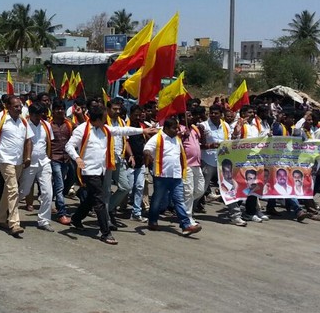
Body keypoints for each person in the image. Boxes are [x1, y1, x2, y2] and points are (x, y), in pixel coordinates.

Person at [66, 103, 154, 245]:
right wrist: (77, 158)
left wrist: (142, 131)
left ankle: (76, 219)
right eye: (104, 117)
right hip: (88, 171)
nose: (107, 120)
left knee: (91, 198)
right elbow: (69, 146)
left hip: (101, 170)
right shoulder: (82, 129)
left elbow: (122, 130)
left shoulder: (105, 129)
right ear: (98, 119)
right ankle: (105, 233)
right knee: (100, 200)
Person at [143, 116, 202, 236]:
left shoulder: (177, 139)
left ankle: (186, 225)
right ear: (166, 128)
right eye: (174, 128)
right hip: (161, 175)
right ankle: (152, 221)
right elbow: (147, 149)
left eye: (177, 128)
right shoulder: (157, 138)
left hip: (176, 175)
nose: (177, 130)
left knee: (179, 200)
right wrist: (148, 154)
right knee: (157, 199)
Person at [0, 96, 33, 238]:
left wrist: (27, 157)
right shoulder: (0, 119)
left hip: (18, 160)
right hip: (5, 159)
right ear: (8, 107)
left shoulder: (23, 121)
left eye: (20, 106)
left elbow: (28, 140)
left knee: (8, 190)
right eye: (16, 106)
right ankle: (14, 223)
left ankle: (0, 218)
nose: (19, 108)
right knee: (14, 189)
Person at [18, 102, 55, 232]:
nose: (39, 117)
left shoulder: (46, 125)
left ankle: (44, 221)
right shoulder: (23, 125)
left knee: (48, 193)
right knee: (23, 191)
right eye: (37, 115)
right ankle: (9, 213)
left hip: (44, 162)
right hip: (29, 164)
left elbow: (49, 143)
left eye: (41, 115)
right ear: (31, 114)